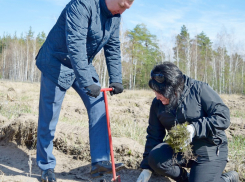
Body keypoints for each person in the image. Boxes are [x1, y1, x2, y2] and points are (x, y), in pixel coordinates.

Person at [35, 0, 134, 181]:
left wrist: (116, 79)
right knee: (49, 116)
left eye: (128, 7)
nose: (124, 10)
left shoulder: (115, 16)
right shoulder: (81, 5)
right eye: (121, 5)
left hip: (81, 63)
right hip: (55, 62)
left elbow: (112, 47)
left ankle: (100, 162)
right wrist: (87, 82)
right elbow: (76, 43)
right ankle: (46, 166)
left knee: (99, 106)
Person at [136, 62, 239, 182]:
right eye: (155, 92)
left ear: (173, 88)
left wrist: (194, 129)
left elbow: (223, 117)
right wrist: (147, 168)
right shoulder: (157, 103)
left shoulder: (199, 89)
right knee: (155, 158)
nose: (157, 96)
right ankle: (186, 179)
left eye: (160, 92)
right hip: (181, 148)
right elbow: (154, 134)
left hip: (209, 148)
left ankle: (227, 179)